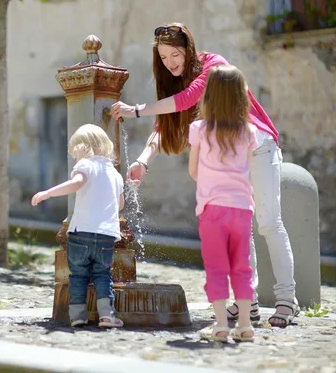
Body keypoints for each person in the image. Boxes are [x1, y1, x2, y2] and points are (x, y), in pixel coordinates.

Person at [110, 23, 299, 328]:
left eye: (175, 54)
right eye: (164, 57)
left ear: (189, 48)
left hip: (259, 146)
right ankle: (244, 303)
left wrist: (134, 110)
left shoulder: (215, 65)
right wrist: (143, 162)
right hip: (229, 155)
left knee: (268, 222)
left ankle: (287, 301)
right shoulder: (173, 84)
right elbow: (164, 129)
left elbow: (187, 99)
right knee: (242, 226)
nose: (170, 62)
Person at [31, 123, 125, 328]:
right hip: (105, 235)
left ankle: (78, 316)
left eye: (75, 152)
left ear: (84, 148)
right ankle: (107, 316)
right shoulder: (115, 174)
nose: (75, 157)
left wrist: (48, 193)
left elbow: (76, 183)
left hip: (81, 232)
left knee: (79, 276)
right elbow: (120, 205)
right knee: (102, 274)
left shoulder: (85, 165)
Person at [189, 64, 257, 342]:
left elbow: (193, 170)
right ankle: (245, 324)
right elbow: (248, 169)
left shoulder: (199, 129)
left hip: (212, 209)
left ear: (210, 96)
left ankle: (220, 325)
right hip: (242, 209)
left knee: (216, 268)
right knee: (242, 268)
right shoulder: (248, 132)